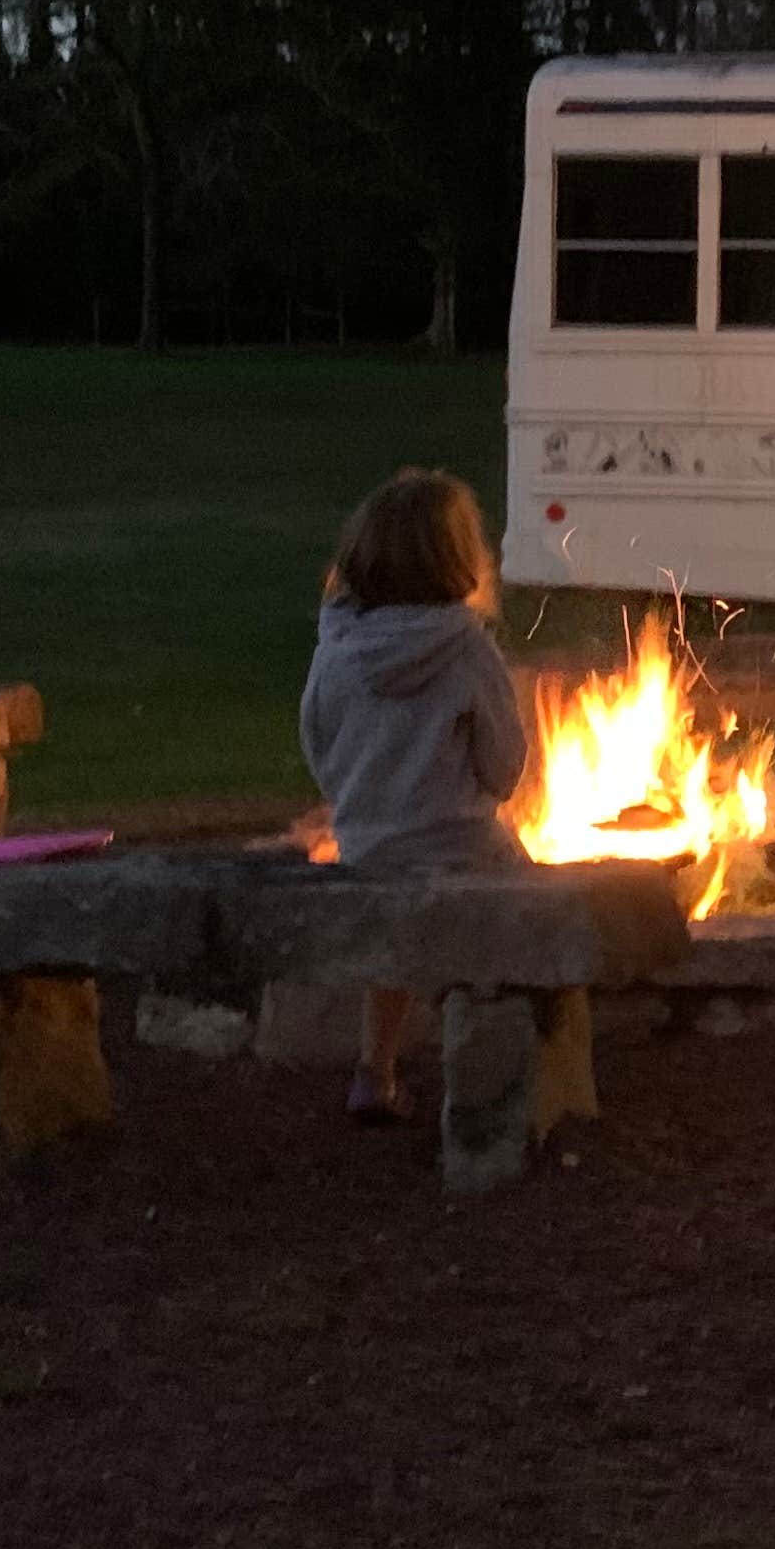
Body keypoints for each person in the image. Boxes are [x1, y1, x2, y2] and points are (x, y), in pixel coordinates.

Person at [298, 467, 530, 1122]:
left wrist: (360, 801)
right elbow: (505, 765)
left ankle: (375, 1071)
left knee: (391, 940)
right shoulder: (467, 648)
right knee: (527, 909)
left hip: (366, 850)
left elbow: (318, 741)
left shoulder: (335, 648)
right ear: (461, 559)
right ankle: (493, 1074)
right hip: (463, 849)